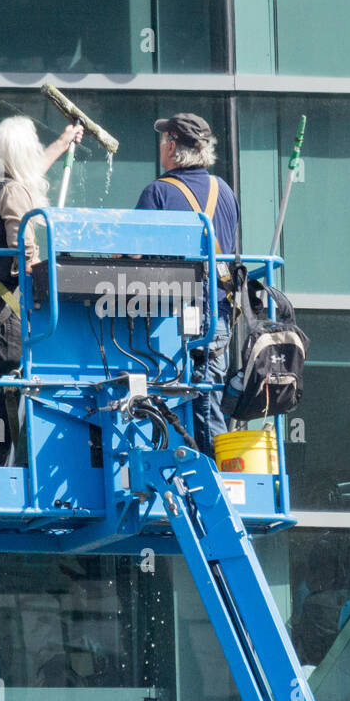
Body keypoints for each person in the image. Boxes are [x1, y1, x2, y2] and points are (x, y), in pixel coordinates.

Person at [0, 114, 82, 464]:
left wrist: (61, 144)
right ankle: (1, 470)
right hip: (7, 315)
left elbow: (25, 177)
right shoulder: (12, 192)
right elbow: (24, 254)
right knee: (8, 394)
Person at [135, 112, 239, 454]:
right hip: (218, 315)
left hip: (171, 318)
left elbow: (133, 255)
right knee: (209, 400)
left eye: (164, 139)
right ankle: (213, 467)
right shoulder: (224, 191)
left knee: (167, 401)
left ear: (173, 146)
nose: (161, 145)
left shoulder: (158, 192)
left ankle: (207, 476)